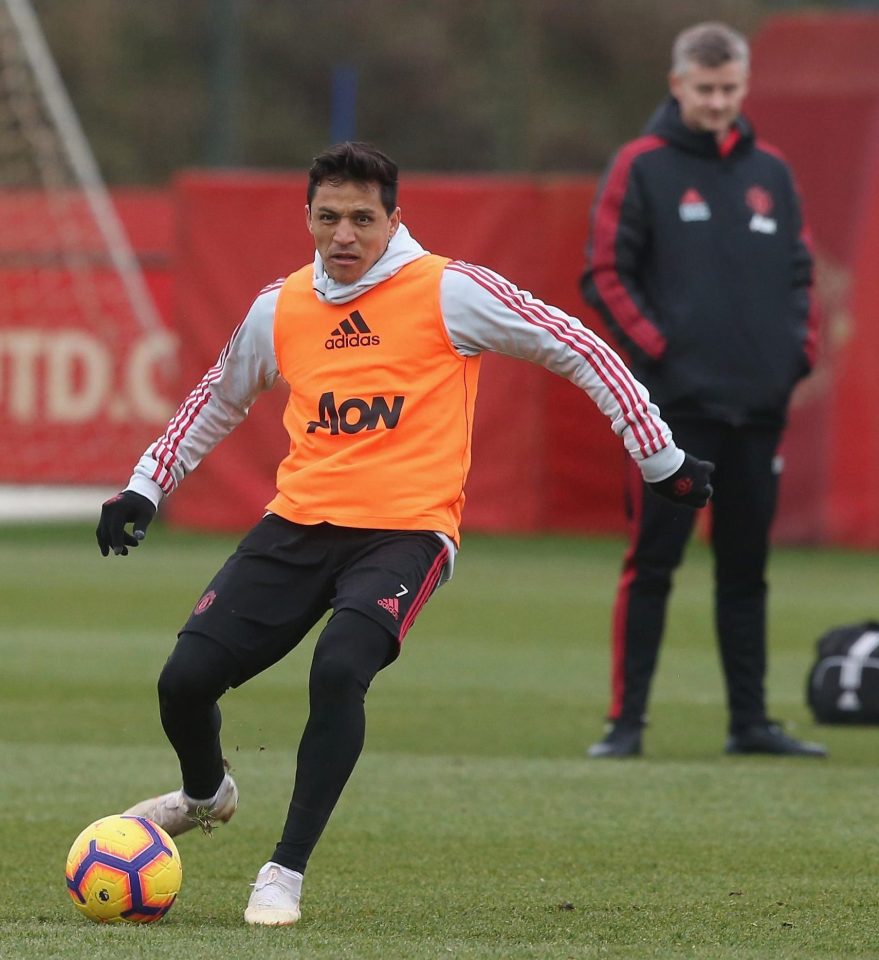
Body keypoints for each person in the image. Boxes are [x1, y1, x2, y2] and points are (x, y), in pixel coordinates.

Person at [96, 141, 712, 927]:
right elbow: (217, 397)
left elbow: (578, 346)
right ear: (308, 218)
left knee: (338, 668)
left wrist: (658, 459)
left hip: (404, 532)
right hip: (296, 525)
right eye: (329, 217)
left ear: (393, 218)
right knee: (181, 683)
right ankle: (206, 792)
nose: (344, 233)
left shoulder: (449, 291)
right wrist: (146, 486)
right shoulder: (278, 306)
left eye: (362, 217)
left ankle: (282, 871)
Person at [580, 22, 825, 759]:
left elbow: (801, 276)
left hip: (757, 407)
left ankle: (748, 723)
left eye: (729, 89)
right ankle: (625, 726)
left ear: (742, 87)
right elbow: (603, 272)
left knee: (746, 572)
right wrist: (660, 356)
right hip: (671, 413)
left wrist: (794, 356)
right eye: (705, 88)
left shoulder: (771, 172)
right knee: (651, 564)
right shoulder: (641, 165)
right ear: (677, 83)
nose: (717, 102)